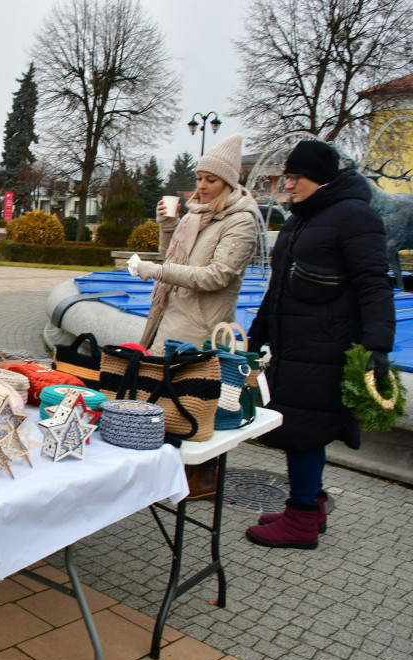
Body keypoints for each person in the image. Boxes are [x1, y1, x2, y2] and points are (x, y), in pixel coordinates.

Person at [245, 139, 395, 549]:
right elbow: (278, 289)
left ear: (320, 179)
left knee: (303, 431)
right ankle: (310, 502)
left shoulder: (354, 216)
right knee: (304, 427)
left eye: (295, 177)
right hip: (297, 347)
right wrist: (257, 337)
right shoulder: (301, 220)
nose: (288, 186)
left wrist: (377, 347)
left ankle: (301, 520)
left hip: (324, 349)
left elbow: (374, 285)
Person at [134, 134, 260, 500]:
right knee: (160, 397)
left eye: (211, 180)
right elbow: (176, 260)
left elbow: (216, 276)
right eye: (199, 178)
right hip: (170, 316)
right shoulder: (197, 215)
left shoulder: (241, 221)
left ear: (228, 183)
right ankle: (163, 479)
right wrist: (168, 228)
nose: (201, 187)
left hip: (200, 326)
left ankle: (195, 481)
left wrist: (155, 271)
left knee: (188, 402)